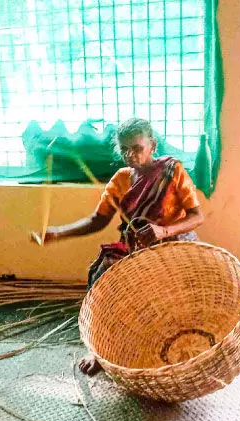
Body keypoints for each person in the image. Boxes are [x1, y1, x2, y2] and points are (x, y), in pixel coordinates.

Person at [34, 118, 204, 375]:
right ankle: (100, 350)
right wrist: (59, 233)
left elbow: (197, 216)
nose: (130, 154)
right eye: (124, 149)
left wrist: (163, 230)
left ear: (152, 145)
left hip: (174, 243)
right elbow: (97, 221)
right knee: (102, 283)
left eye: (137, 148)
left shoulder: (172, 171)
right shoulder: (121, 180)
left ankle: (212, 343)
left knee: (198, 287)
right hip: (134, 246)